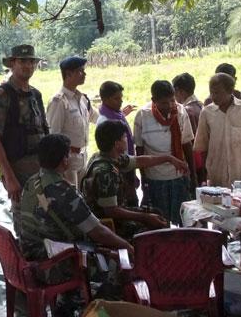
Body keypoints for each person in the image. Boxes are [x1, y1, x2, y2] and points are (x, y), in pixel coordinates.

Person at [20, 134, 136, 311]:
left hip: (30, 253)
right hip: (51, 263)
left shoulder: (32, 181)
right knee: (117, 263)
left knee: (102, 250)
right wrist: (126, 246)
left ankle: (70, 301)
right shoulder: (62, 191)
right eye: (68, 155)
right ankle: (99, 310)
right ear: (64, 160)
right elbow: (98, 231)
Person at [82, 120, 188, 239]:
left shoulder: (104, 157)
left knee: (156, 213)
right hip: (107, 223)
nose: (127, 140)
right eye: (124, 137)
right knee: (156, 224)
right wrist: (145, 218)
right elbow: (111, 211)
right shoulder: (106, 172)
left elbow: (140, 161)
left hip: (111, 214)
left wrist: (169, 158)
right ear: (117, 144)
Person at [0, 44, 48, 234]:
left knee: (44, 217)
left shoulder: (35, 94)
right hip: (18, 168)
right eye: (22, 61)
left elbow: (43, 131)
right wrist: (9, 176)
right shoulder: (1, 96)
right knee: (25, 221)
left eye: (31, 61)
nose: (27, 66)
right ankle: (26, 260)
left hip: (41, 168)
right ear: (12, 64)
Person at [134, 80, 196, 224]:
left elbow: (187, 144)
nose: (169, 106)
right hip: (155, 177)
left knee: (182, 219)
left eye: (172, 101)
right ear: (154, 101)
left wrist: (193, 176)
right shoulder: (143, 116)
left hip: (178, 175)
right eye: (163, 103)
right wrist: (144, 179)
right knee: (160, 221)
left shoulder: (180, 112)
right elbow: (139, 149)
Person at [193, 73, 241, 187]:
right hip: (216, 176)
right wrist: (208, 171)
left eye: (217, 93)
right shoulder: (206, 113)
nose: (213, 97)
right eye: (211, 92)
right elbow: (202, 146)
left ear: (230, 90)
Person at [46, 56, 98, 186]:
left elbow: (97, 118)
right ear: (68, 74)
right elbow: (53, 135)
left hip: (83, 156)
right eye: (80, 71)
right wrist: (60, 162)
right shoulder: (59, 102)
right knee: (71, 199)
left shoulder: (82, 99)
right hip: (67, 160)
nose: (84, 74)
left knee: (83, 195)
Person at [95, 80, 139, 206]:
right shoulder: (104, 121)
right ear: (105, 99)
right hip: (118, 166)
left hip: (126, 162)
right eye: (116, 98)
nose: (120, 101)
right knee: (124, 201)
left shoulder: (118, 115)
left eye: (121, 98)